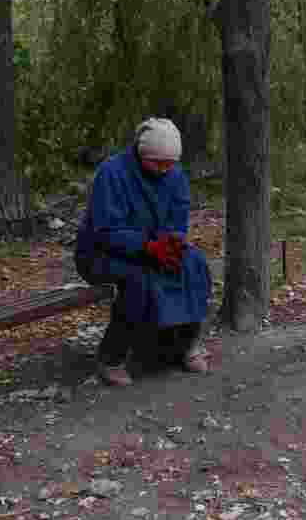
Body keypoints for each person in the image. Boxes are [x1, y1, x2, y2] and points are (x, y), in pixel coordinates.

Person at [74, 118, 213, 387]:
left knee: (194, 265)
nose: (163, 170)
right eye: (157, 163)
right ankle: (111, 359)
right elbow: (106, 230)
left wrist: (172, 244)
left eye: (169, 164)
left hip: (153, 248)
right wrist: (147, 247)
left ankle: (186, 344)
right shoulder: (112, 173)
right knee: (138, 280)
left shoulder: (175, 175)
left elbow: (178, 220)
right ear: (141, 154)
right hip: (102, 254)